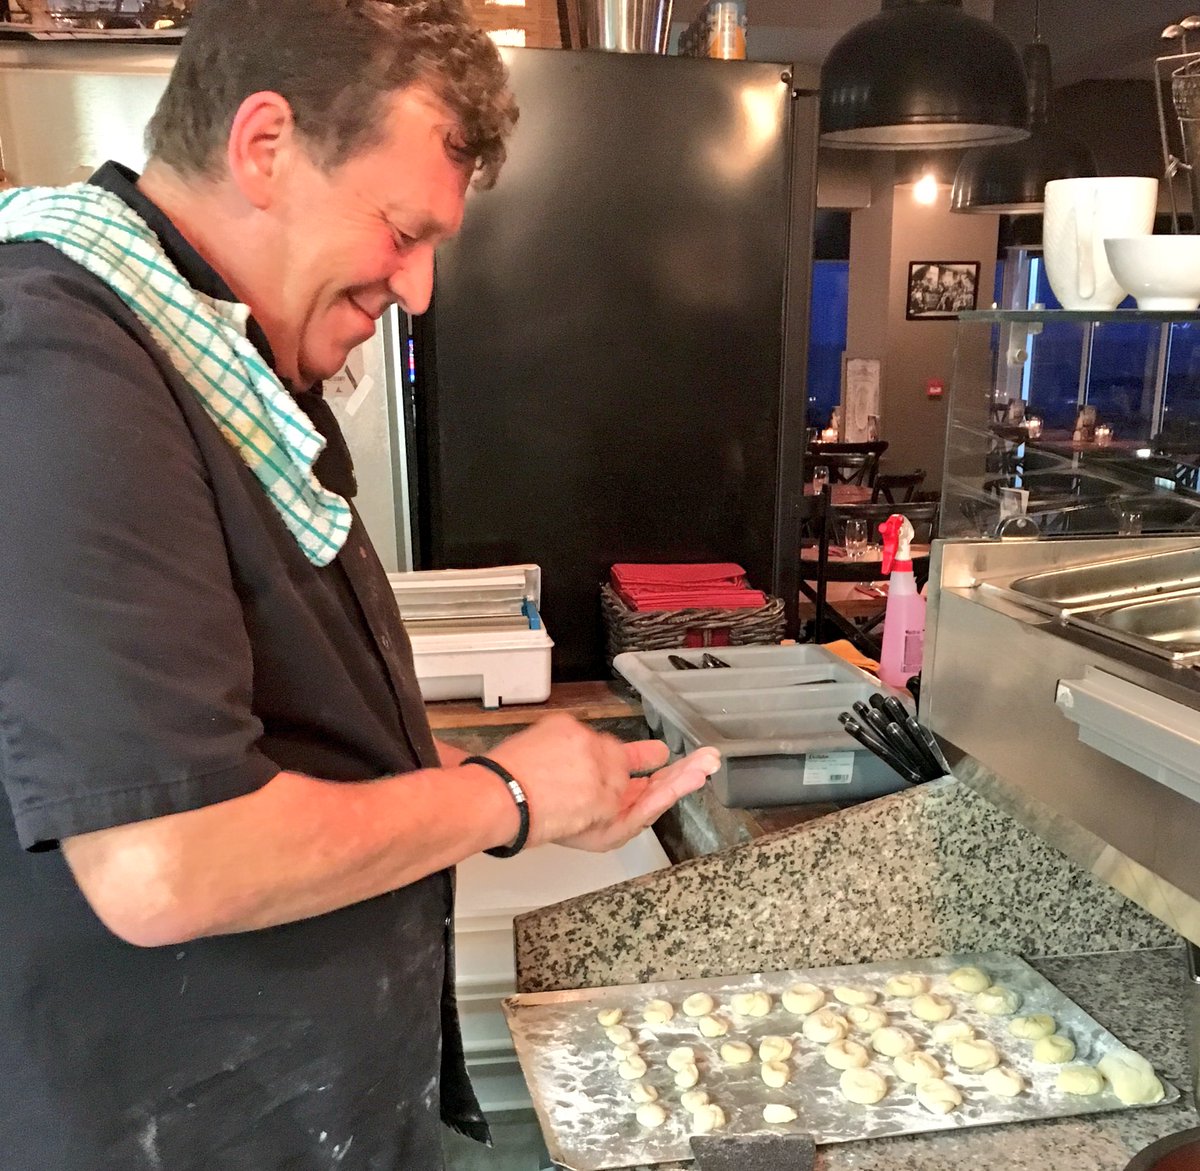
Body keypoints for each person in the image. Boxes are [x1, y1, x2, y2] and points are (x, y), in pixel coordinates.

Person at [0, 1, 720, 1167]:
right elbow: (164, 861)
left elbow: (278, 742)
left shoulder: (224, 358)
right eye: (402, 229)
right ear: (265, 146)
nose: (421, 289)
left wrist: (509, 783)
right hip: (185, 1129)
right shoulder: (61, 366)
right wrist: (506, 796)